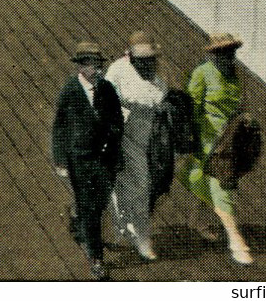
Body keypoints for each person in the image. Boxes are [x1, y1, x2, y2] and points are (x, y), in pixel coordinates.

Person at [51, 41, 124, 280]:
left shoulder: (107, 89)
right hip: (79, 159)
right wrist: (60, 160)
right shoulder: (70, 91)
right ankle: (96, 258)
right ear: (81, 66)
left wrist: (112, 135)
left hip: (105, 159)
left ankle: (78, 219)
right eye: (92, 64)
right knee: (90, 209)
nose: (98, 69)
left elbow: (118, 120)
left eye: (99, 64)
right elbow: (60, 127)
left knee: (100, 203)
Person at [182, 33, 256, 265]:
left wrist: (246, 121)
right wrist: (192, 138)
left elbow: (240, 104)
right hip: (207, 138)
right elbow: (191, 107)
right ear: (212, 54)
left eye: (231, 52)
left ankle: (197, 221)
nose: (228, 57)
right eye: (222, 52)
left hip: (230, 137)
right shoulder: (202, 73)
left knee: (206, 179)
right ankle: (236, 240)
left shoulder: (236, 74)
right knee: (221, 185)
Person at [105, 31, 170, 260]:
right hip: (120, 136)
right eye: (141, 59)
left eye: (151, 59)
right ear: (130, 57)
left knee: (145, 187)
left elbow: (160, 104)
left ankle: (134, 233)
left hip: (147, 140)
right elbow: (106, 101)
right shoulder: (117, 71)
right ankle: (137, 236)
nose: (147, 63)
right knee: (130, 185)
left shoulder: (159, 82)